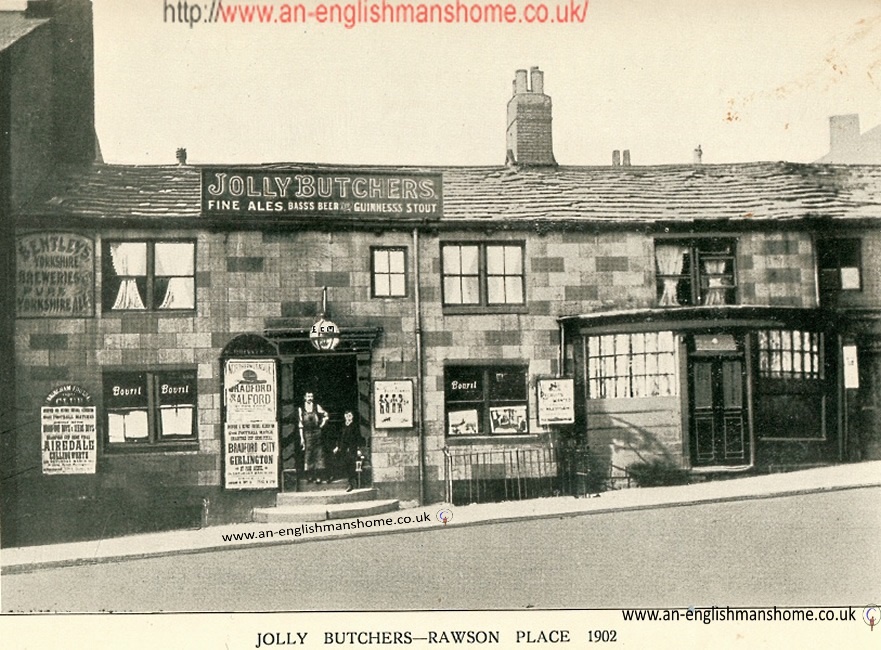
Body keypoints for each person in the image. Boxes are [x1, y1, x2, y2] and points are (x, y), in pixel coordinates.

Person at [298, 391, 329, 483]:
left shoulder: (316, 406)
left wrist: (321, 425)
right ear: (304, 397)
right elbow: (300, 424)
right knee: (308, 453)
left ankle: (318, 476)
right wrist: (301, 438)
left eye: (311, 396)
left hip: (317, 432)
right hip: (307, 432)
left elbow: (326, 415)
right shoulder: (301, 409)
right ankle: (310, 476)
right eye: (308, 396)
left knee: (318, 453)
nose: (310, 398)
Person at [334, 410, 366, 492]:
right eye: (346, 415)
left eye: (350, 415)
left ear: (352, 417)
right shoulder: (343, 426)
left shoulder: (355, 426)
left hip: (352, 448)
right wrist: (338, 446)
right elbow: (339, 437)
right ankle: (350, 480)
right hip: (344, 448)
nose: (348, 417)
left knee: (352, 464)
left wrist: (358, 449)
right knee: (346, 464)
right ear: (344, 416)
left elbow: (358, 437)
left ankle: (352, 484)